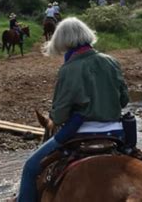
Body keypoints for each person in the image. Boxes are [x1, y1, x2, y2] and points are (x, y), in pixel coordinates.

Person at [16, 17, 129, 202]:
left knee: (29, 168)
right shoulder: (112, 62)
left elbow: (59, 116)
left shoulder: (69, 68)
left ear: (63, 41)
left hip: (78, 132)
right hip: (116, 133)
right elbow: (124, 101)